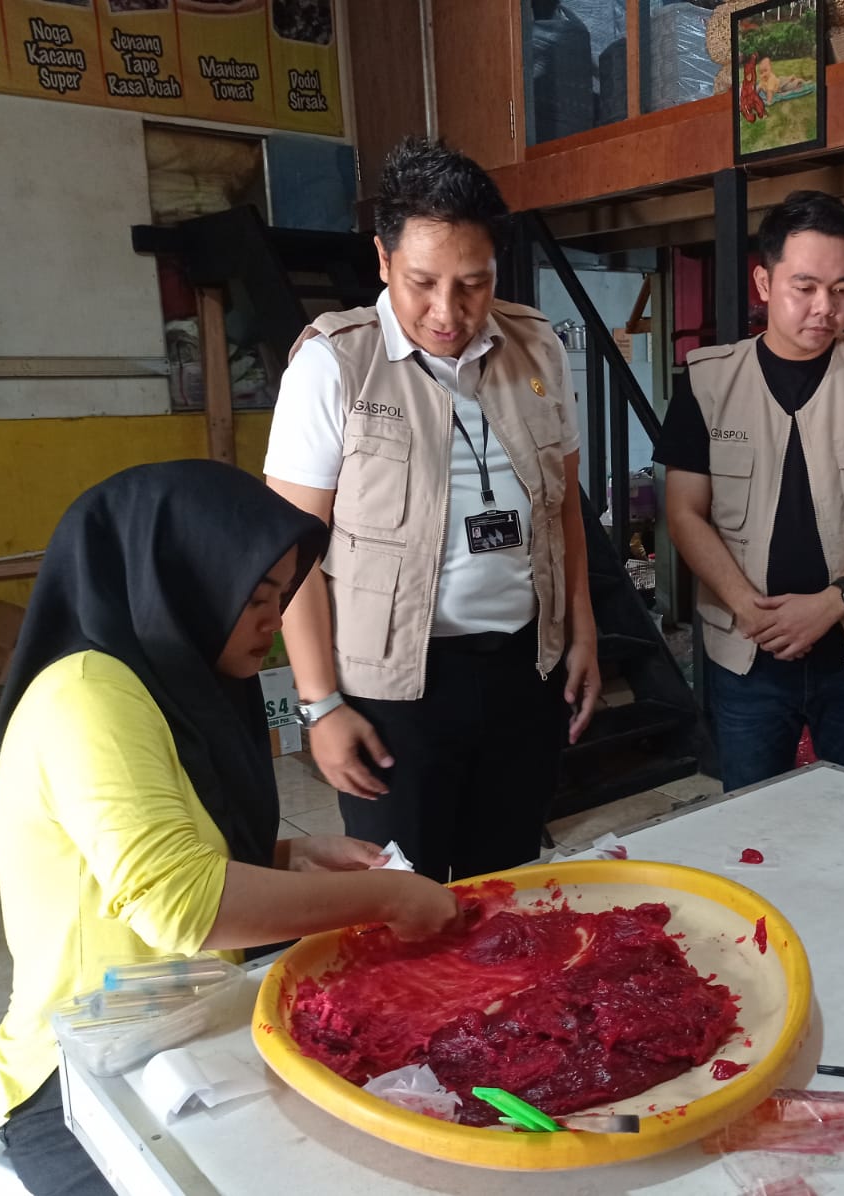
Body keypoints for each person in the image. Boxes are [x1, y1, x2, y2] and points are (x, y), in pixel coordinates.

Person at [0, 461, 461, 1196]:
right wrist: (389, 899)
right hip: (79, 1076)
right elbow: (181, 904)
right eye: (254, 597)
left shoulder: (165, 682)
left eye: (281, 595)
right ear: (180, 579)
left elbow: (145, 851)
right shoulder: (87, 699)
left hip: (179, 1027)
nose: (273, 620)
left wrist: (291, 855)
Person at [265, 136, 599, 882]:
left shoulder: (537, 350)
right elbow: (287, 558)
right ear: (382, 262)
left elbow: (563, 512)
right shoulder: (334, 366)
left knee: (507, 886)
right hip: (395, 696)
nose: (448, 312)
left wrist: (584, 635)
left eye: (474, 284)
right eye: (421, 282)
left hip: (522, 671)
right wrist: (319, 706)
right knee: (403, 900)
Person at [657, 190, 844, 792]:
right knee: (755, 827)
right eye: (804, 287)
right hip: (747, 657)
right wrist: (745, 607)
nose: (825, 308)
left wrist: (832, 603)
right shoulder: (708, 382)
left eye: (842, 289)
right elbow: (683, 513)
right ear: (763, 281)